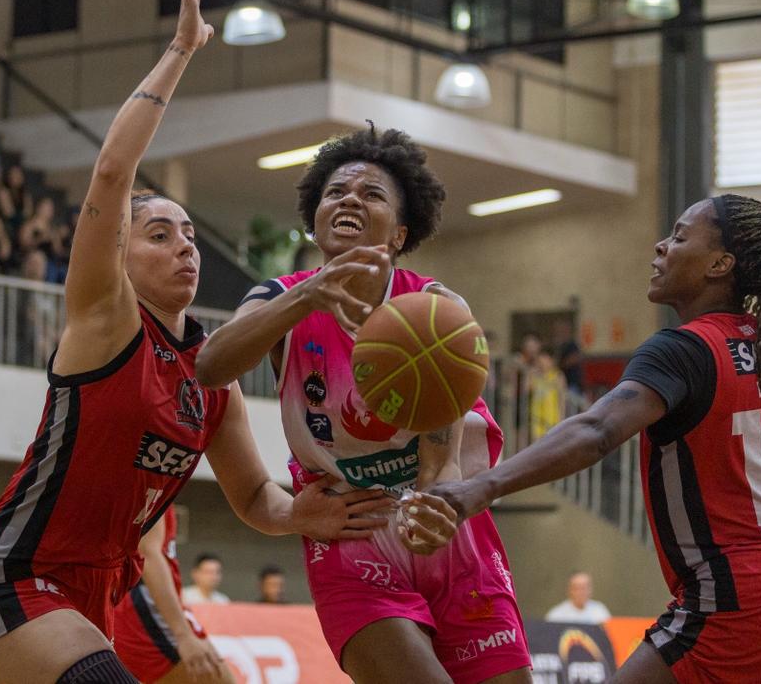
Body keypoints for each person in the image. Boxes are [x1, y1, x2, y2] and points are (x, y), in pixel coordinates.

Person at [0, 0, 388, 684]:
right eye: (159, 234)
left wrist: (300, 515)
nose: (184, 245)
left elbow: (254, 495)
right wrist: (182, 48)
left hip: (101, 591)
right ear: (119, 254)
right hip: (16, 572)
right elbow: (112, 171)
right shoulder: (106, 320)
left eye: (189, 234)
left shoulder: (214, 374)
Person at [428, 195, 761, 684]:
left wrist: (480, 487)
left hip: (745, 596)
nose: (660, 246)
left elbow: (597, 431)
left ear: (720, 264)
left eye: (679, 237)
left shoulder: (682, 350)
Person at [195, 127, 532, 684]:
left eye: (371, 194)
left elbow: (442, 457)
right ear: (315, 218)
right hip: (349, 529)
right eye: (335, 192)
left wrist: (436, 504)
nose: (350, 198)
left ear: (399, 233)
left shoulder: (436, 307)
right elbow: (211, 367)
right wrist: (307, 296)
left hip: (443, 527)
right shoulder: (279, 297)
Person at [113, 507, 234, 684]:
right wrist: (183, 635)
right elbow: (148, 555)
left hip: (152, 605)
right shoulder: (153, 490)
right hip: (144, 608)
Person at [544, 572, 610, 625]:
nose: (581, 592)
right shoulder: (556, 615)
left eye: (585, 588)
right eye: (577, 588)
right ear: (570, 590)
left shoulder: (600, 610)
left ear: (591, 590)